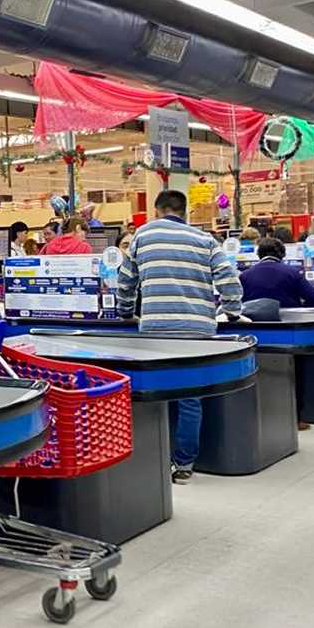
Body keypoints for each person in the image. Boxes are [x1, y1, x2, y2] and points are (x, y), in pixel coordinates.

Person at [118, 190, 243, 484]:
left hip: (156, 327)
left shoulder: (142, 236)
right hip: (197, 329)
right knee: (189, 397)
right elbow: (229, 280)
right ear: (183, 212)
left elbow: (125, 282)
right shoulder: (204, 239)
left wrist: (125, 311)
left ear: (157, 210)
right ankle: (184, 464)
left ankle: (155, 457)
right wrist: (232, 311)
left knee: (157, 394)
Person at [240, 237, 314, 308]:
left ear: (258, 254)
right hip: (289, 322)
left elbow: (238, 303)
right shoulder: (292, 273)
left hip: (254, 323)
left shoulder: (245, 276)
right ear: (283, 254)